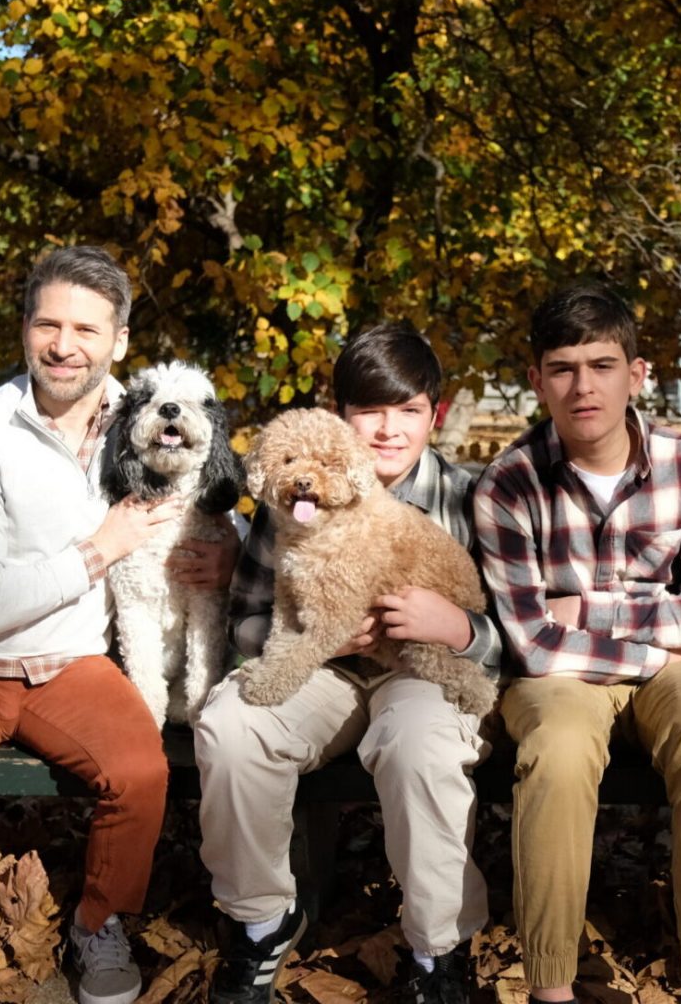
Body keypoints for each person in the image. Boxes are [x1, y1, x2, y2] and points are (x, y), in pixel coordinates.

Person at [0, 246, 238, 1004]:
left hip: (71, 662)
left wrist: (226, 552)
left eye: (86, 329)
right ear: (25, 329)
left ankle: (97, 923)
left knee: (140, 771)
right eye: (47, 324)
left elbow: (209, 494)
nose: (64, 345)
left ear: (120, 341)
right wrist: (101, 549)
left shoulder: (140, 424)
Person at [194, 323, 502, 1004]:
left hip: (422, 672)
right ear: (342, 416)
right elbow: (248, 620)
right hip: (321, 674)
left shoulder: (470, 495)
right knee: (231, 725)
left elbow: (510, 634)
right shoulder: (293, 496)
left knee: (419, 745)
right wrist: (322, 641)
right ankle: (260, 923)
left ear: (435, 414)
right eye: (370, 410)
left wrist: (456, 627)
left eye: (409, 410)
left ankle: (436, 951)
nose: (389, 429)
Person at [474, 281, 681, 1004]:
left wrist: (591, 610)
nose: (582, 386)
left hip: (672, 671)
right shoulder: (507, 484)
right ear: (536, 381)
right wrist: (654, 638)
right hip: (563, 677)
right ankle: (551, 986)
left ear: (637, 374)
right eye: (562, 368)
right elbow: (532, 643)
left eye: (602, 365)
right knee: (558, 754)